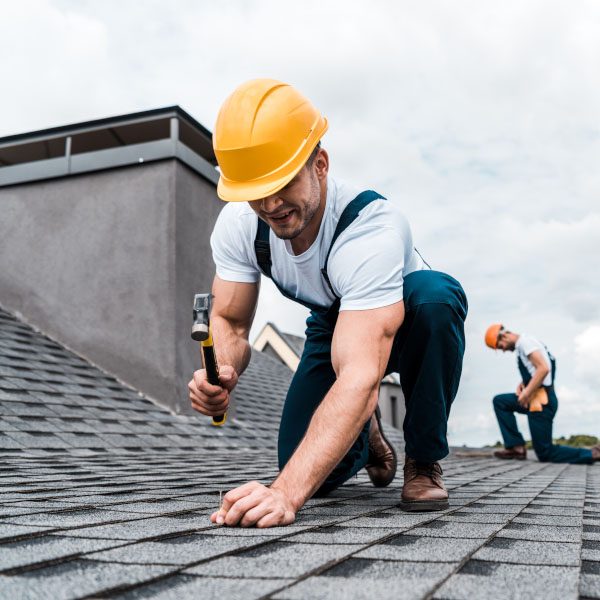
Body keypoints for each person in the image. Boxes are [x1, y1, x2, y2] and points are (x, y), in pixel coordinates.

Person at [188, 79, 467, 528]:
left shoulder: (370, 228)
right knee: (304, 460)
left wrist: (284, 495)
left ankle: (423, 459)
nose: (271, 203)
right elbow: (229, 321)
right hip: (333, 321)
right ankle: (368, 433)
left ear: (320, 164)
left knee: (437, 299)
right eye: (257, 190)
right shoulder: (240, 226)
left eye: (282, 183)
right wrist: (222, 372)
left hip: (404, 308)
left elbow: (359, 373)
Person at [485, 323, 600, 463]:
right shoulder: (525, 345)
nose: (503, 350)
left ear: (503, 336)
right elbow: (536, 370)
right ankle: (516, 447)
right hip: (534, 399)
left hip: (542, 403)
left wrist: (526, 393)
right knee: (501, 401)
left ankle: (593, 454)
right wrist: (523, 385)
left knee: (545, 453)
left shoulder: (525, 343)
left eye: (500, 346)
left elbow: (543, 369)